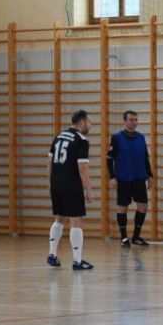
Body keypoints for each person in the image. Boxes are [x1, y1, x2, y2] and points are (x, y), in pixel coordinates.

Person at [48, 110, 94, 270]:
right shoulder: (81, 140)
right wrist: (88, 190)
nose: (91, 125)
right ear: (81, 122)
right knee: (77, 220)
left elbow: (49, 162)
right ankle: (77, 261)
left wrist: (51, 183)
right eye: (89, 122)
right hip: (71, 184)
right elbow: (83, 168)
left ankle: (52, 254)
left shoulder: (59, 136)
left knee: (59, 217)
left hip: (56, 183)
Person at [107, 109, 154, 247]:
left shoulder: (141, 137)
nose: (134, 122)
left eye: (136, 120)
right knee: (122, 208)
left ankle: (136, 237)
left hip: (139, 177)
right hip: (123, 178)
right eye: (131, 120)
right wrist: (112, 177)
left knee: (143, 207)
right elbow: (109, 159)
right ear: (125, 121)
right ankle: (124, 238)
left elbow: (145, 158)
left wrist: (150, 175)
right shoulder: (116, 137)